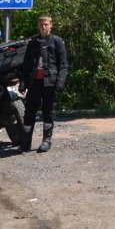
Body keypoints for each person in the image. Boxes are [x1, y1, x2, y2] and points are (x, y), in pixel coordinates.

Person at [19, 14, 67, 152]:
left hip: (50, 83)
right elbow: (26, 65)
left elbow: (63, 65)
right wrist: (23, 83)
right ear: (38, 26)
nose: (43, 27)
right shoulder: (33, 43)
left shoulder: (57, 41)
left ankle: (46, 141)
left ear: (51, 25)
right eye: (41, 24)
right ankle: (25, 143)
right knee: (29, 112)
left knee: (48, 111)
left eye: (46, 24)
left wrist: (60, 83)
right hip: (34, 83)